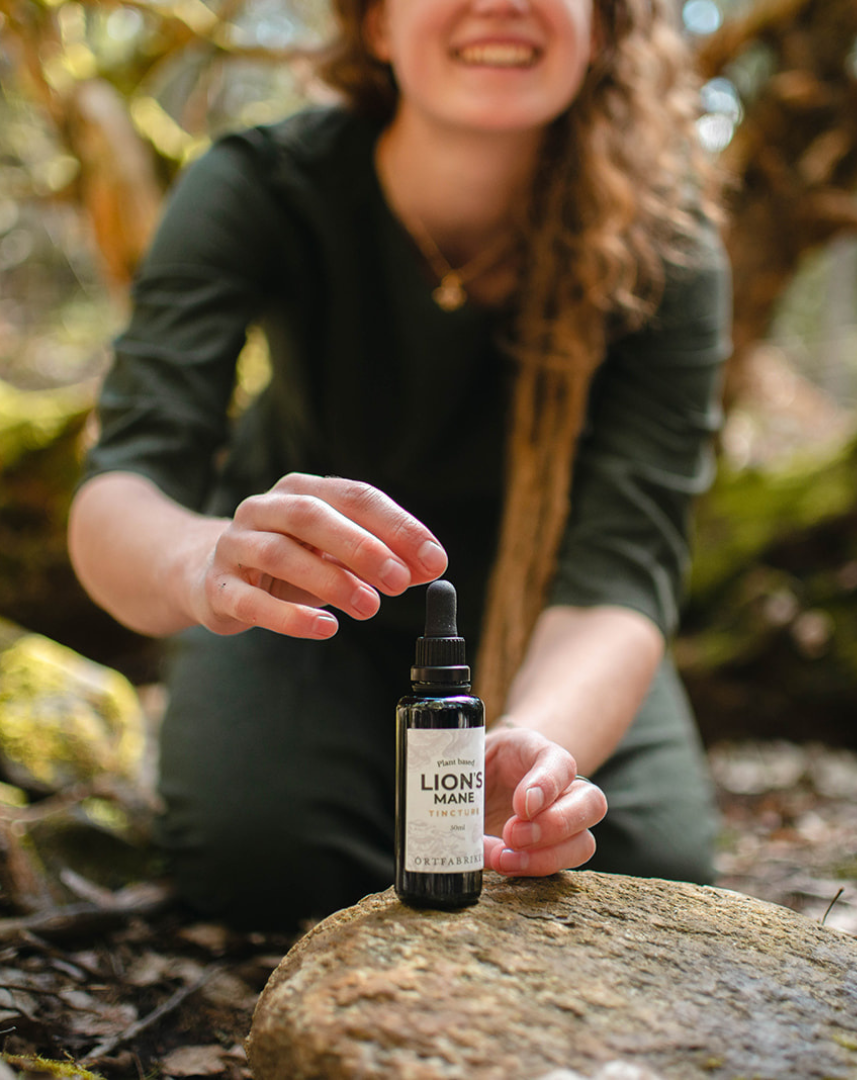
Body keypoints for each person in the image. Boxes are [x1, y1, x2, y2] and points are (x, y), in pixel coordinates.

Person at [68, 0, 731, 929]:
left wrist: (535, 751)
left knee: (644, 871)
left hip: (549, 618)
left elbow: (623, 574)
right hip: (298, 606)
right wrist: (209, 565)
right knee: (262, 859)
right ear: (375, 25)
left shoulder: (668, 244)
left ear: (607, 26)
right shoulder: (262, 183)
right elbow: (121, 490)